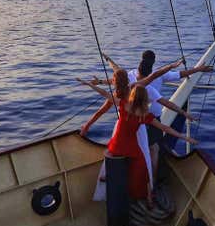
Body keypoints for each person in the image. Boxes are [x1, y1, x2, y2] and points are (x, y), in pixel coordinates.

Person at [77, 72, 197, 202]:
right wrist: (185, 138)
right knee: (143, 168)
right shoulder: (145, 116)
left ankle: (109, 176)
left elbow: (105, 94)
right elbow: (165, 129)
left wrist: (89, 84)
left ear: (132, 95)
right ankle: (148, 195)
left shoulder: (122, 104)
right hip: (132, 146)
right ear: (145, 99)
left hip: (116, 144)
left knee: (115, 159)